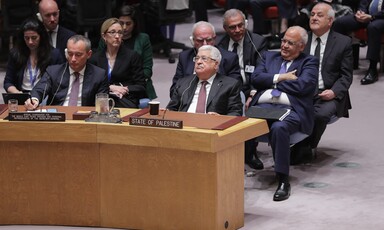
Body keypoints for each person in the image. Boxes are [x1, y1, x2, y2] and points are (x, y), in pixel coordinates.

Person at [249, 26, 319, 201]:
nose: (285, 45)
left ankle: (282, 179)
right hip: (263, 107)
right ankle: (245, 160)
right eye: (283, 41)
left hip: (291, 109)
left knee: (279, 127)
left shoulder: (309, 62)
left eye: (290, 43)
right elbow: (255, 78)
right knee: (241, 122)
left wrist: (270, 81)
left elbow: (303, 86)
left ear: (301, 46)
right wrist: (281, 77)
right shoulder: (268, 56)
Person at [291, 2, 353, 163]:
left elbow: (346, 76)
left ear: (330, 21)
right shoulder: (300, 39)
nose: (314, 18)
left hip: (328, 93)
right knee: (284, 111)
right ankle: (294, 145)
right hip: (302, 90)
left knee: (319, 114)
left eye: (319, 15)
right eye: (312, 14)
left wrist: (334, 92)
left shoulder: (343, 42)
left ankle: (307, 145)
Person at [217, 8, 267, 170]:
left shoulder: (258, 42)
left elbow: (262, 72)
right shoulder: (220, 46)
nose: (237, 30)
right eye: (232, 27)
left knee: (250, 108)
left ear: (245, 24)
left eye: (240, 25)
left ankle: (250, 152)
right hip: (230, 89)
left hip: (254, 87)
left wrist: (252, 93)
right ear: (225, 28)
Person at [24, 35, 109, 109]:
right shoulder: (53, 71)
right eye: (70, 54)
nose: (73, 59)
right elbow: (39, 89)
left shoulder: (99, 75)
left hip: (85, 119)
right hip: (58, 117)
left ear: (89, 54)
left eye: (78, 55)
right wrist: (34, 99)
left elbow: (101, 105)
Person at [98, 5, 157, 100]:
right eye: (121, 23)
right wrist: (110, 86)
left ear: (134, 24)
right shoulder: (105, 41)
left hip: (133, 85)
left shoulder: (143, 39)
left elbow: (147, 70)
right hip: (108, 87)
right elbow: (99, 64)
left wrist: (123, 86)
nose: (124, 27)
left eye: (128, 23)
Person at [171, 21, 242, 97]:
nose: (205, 44)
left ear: (214, 39)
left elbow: (235, 88)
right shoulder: (184, 57)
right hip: (189, 100)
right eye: (200, 40)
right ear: (193, 41)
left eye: (208, 40)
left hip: (218, 102)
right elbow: (174, 89)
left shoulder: (229, 58)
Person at [167, 45, 242, 116]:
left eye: (204, 58)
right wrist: (165, 112)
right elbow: (171, 109)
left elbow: (235, 112)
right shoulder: (183, 83)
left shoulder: (230, 85)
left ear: (215, 64)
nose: (198, 62)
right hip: (185, 125)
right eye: (197, 58)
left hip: (213, 127)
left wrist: (221, 119)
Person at [90, 18, 146, 108]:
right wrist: (110, 87)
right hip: (102, 100)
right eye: (112, 32)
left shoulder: (132, 56)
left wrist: (125, 89)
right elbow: (91, 84)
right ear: (104, 36)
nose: (117, 36)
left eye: (120, 33)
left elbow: (141, 86)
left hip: (124, 99)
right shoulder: (95, 58)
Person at [4, 18, 64, 94]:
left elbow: (59, 82)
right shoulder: (15, 54)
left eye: (34, 38)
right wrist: (17, 93)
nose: (30, 42)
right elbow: (8, 82)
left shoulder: (54, 55)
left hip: (44, 96)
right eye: (27, 38)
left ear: (41, 37)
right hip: (22, 94)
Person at [332, 0, 384, 84]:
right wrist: (361, 11)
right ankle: (338, 61)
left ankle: (372, 69)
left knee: (373, 27)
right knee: (340, 22)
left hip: (381, 18)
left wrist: (372, 17)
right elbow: (364, 2)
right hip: (368, 16)